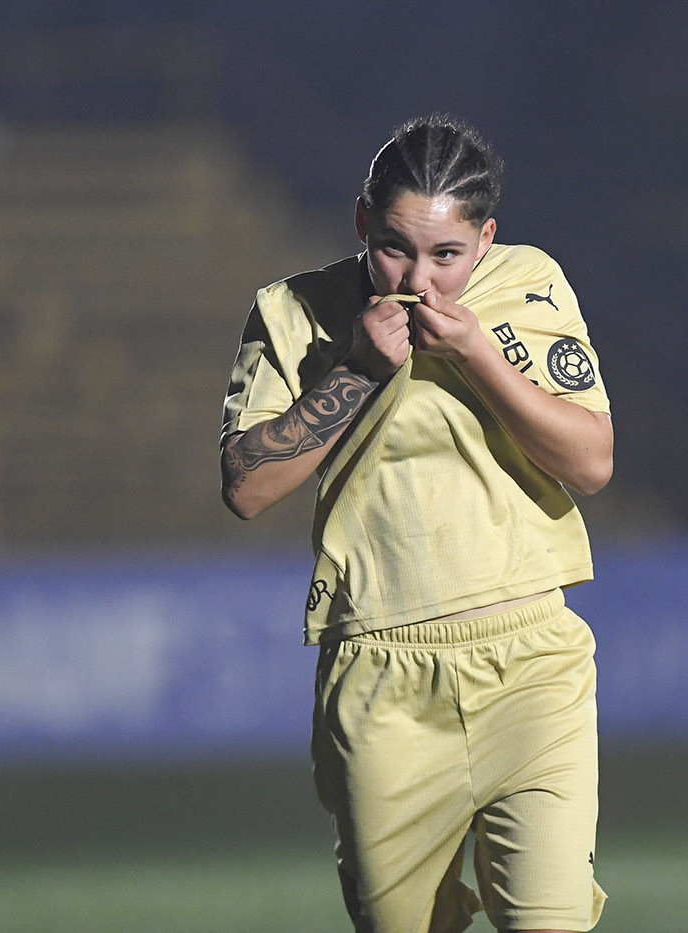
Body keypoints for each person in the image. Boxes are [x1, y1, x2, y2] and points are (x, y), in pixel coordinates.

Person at [219, 115, 612, 933]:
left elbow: (592, 462)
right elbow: (248, 487)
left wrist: (478, 357)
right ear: (363, 221)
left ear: (487, 238)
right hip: (380, 678)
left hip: (531, 661)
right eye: (397, 247)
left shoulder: (529, 283)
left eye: (448, 255)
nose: (420, 281)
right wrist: (358, 367)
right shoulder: (294, 311)